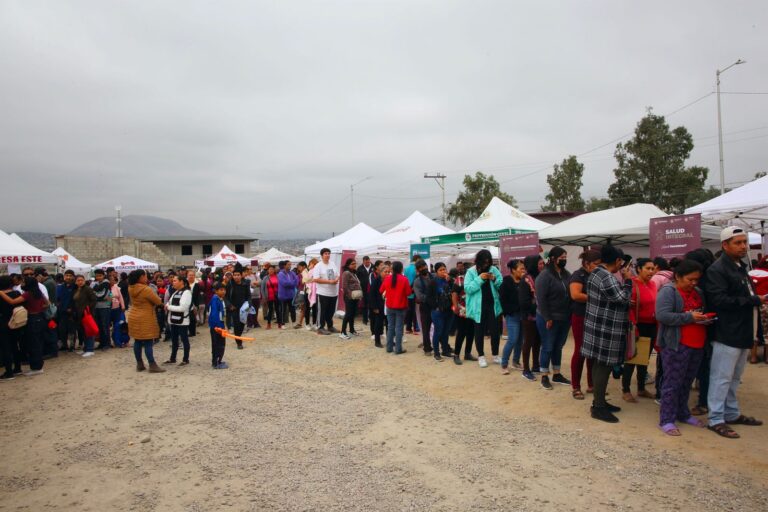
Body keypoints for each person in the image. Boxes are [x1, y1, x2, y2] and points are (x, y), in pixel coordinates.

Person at [704, 226, 765, 438]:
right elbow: (719, 300)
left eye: (744, 242)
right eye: (737, 243)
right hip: (727, 332)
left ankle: (731, 413)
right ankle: (715, 418)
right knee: (721, 378)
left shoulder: (740, 267)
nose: (743, 246)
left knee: (735, 378)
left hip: (743, 331)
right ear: (725, 245)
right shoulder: (717, 269)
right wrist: (753, 300)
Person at [655, 259, 711, 436]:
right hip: (676, 344)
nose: (693, 283)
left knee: (687, 381)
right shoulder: (668, 291)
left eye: (696, 279)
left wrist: (704, 319)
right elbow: (662, 316)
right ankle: (666, 419)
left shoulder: (698, 292)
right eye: (690, 279)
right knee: (672, 383)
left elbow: (699, 312)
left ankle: (683, 413)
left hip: (697, 343)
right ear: (678, 276)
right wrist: (689, 317)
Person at [581, 245, 633, 423]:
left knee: (599, 364)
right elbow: (623, 298)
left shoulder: (596, 273)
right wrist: (628, 280)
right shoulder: (606, 276)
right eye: (621, 262)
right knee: (603, 366)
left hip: (598, 326)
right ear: (617, 261)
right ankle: (598, 407)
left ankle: (600, 401)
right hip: (606, 328)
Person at [535, 246, 572, 390]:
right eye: (562, 258)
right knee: (548, 346)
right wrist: (547, 318)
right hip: (548, 318)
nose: (564, 260)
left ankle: (557, 373)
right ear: (553, 259)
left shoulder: (566, 274)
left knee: (558, 346)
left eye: (565, 257)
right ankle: (544, 376)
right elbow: (541, 299)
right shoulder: (544, 275)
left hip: (564, 317)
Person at [622, 258, 658, 403]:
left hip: (652, 326)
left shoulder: (653, 284)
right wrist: (634, 326)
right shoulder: (632, 284)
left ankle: (641, 388)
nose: (651, 271)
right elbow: (628, 308)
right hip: (637, 326)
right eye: (647, 268)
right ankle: (626, 390)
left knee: (644, 360)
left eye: (653, 268)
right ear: (639, 269)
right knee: (632, 359)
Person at [569, 250, 601, 399]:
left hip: (594, 317)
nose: (598, 267)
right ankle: (576, 387)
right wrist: (596, 298)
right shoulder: (578, 275)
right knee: (581, 350)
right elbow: (575, 295)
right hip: (580, 316)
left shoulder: (596, 275)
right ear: (586, 263)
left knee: (592, 352)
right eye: (596, 264)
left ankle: (591, 384)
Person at [465, 249, 503, 368]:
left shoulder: (493, 269)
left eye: (488, 262)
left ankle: (495, 355)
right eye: (484, 262)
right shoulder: (471, 272)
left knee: (495, 331)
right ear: (479, 261)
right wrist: (480, 278)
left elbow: (501, 284)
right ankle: (481, 356)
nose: (486, 265)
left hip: (492, 305)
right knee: (479, 332)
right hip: (478, 307)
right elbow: (468, 289)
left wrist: (494, 279)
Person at [126, 269, 165, 373]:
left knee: (137, 341)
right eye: (145, 276)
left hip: (134, 315)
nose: (146, 278)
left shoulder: (130, 287)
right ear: (141, 277)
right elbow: (157, 301)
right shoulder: (146, 289)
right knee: (148, 341)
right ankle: (152, 364)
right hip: (145, 316)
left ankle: (139, 364)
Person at [519, 255, 543, 381]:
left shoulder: (539, 277)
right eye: (539, 264)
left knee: (537, 341)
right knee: (528, 341)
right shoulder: (525, 280)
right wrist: (536, 307)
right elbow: (524, 302)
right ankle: (526, 369)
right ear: (533, 265)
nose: (542, 266)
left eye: (542, 263)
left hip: (539, 315)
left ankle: (535, 365)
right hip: (529, 316)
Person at [499, 259, 525, 374]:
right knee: (512, 339)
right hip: (512, 315)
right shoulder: (506, 282)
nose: (523, 271)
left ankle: (516, 362)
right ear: (513, 270)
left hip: (523, 315)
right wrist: (508, 312)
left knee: (520, 340)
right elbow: (502, 300)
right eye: (521, 269)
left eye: (524, 268)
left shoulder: (524, 281)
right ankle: (504, 364)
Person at [380, 261, 412, 354]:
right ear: (401, 269)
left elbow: (381, 290)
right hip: (401, 306)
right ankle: (398, 349)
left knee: (390, 327)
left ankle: (389, 348)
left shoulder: (387, 278)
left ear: (392, 269)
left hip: (389, 306)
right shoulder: (404, 279)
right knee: (399, 328)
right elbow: (408, 293)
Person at [427, 262, 455, 361]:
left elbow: (455, 291)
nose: (443, 271)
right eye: (441, 270)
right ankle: (436, 352)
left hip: (449, 310)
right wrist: (436, 307)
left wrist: (450, 281)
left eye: (444, 269)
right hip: (438, 312)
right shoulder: (433, 282)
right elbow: (429, 297)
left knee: (446, 331)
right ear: (436, 271)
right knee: (438, 331)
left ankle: (445, 350)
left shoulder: (450, 280)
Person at [164, 275, 193, 366]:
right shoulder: (176, 292)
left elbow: (183, 308)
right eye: (173, 281)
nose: (173, 282)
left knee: (184, 340)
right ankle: (173, 358)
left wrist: (169, 307)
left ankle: (185, 359)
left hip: (182, 321)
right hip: (173, 320)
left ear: (181, 282)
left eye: (175, 281)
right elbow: (169, 302)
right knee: (174, 340)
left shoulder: (186, 292)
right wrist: (168, 306)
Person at [311, 248, 340, 335]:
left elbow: (338, 275)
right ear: (322, 255)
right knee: (322, 311)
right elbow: (315, 279)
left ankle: (330, 326)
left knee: (331, 311)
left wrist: (336, 279)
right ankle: (320, 327)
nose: (327, 255)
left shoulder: (332, 264)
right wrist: (329, 282)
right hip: (323, 292)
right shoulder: (318, 266)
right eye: (325, 254)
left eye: (328, 253)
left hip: (333, 292)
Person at [450, 268, 474, 365]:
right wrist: (456, 306)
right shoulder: (459, 280)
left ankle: (467, 353)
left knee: (471, 332)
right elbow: (454, 294)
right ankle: (456, 355)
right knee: (461, 332)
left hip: (472, 310)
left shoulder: (475, 279)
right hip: (461, 309)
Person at [72, 275, 97, 357]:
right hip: (79, 314)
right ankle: (86, 348)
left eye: (81, 280)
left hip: (87, 314)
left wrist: (87, 308)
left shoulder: (87, 289)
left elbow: (94, 299)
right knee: (83, 332)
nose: (80, 282)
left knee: (89, 331)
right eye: (78, 280)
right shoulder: (76, 289)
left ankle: (90, 349)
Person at [226, 264, 250, 348]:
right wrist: (230, 305)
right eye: (235, 275)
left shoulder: (245, 284)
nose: (236, 277)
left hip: (243, 308)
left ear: (241, 275)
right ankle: (239, 343)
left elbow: (248, 296)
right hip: (234, 308)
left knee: (242, 325)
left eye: (238, 275)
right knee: (236, 326)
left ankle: (238, 337)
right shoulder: (230, 284)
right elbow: (226, 297)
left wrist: (249, 304)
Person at [412, 260, 433, 354]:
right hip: (425, 307)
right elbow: (420, 296)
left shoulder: (434, 276)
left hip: (435, 306)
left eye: (424, 266)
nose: (423, 268)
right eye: (420, 267)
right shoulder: (417, 282)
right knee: (426, 328)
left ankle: (444, 346)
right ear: (418, 270)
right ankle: (427, 348)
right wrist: (432, 298)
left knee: (440, 327)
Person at [340, 258, 362, 340]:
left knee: (352, 314)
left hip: (355, 296)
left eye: (355, 263)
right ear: (348, 265)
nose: (354, 265)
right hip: (349, 297)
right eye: (352, 264)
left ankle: (352, 330)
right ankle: (343, 332)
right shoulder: (346, 273)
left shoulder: (353, 273)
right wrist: (350, 295)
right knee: (348, 314)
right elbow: (345, 286)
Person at [91, 269, 113, 349]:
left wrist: (95, 294)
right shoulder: (95, 284)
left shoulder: (106, 284)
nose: (98, 277)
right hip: (97, 307)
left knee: (105, 325)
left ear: (103, 276)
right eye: (97, 276)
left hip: (105, 307)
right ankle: (102, 343)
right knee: (99, 326)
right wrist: (96, 294)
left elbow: (103, 295)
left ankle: (106, 344)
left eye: (100, 276)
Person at [208, 283, 228, 369]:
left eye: (224, 290)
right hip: (216, 327)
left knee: (221, 344)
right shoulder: (215, 300)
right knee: (217, 344)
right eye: (221, 290)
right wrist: (217, 326)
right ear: (216, 291)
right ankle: (215, 363)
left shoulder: (220, 299)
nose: (223, 292)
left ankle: (219, 360)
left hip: (220, 325)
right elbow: (214, 314)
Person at [56, 270, 77, 352]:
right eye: (66, 275)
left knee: (72, 330)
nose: (68, 277)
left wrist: (72, 308)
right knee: (62, 330)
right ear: (64, 277)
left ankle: (72, 345)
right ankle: (64, 345)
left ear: (73, 277)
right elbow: (57, 299)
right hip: (62, 312)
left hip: (72, 313)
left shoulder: (76, 287)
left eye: (70, 275)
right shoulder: (60, 287)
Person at [277, 261, 299, 329]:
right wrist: (292, 283)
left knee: (292, 309)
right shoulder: (280, 274)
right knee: (283, 310)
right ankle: (282, 324)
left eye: (290, 264)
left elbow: (297, 281)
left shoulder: (292, 273)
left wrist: (291, 283)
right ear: (284, 265)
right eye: (288, 264)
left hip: (291, 294)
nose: (290, 266)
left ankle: (294, 322)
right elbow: (284, 283)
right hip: (283, 295)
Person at [368, 261, 385, 348]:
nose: (387, 273)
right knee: (378, 323)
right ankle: (377, 341)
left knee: (387, 324)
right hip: (378, 305)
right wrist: (374, 307)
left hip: (386, 305)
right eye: (385, 272)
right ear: (381, 272)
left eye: (388, 272)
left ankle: (390, 341)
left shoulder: (387, 280)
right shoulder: (376, 280)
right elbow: (372, 294)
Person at [404, 255, 421, 335]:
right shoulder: (416, 269)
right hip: (414, 292)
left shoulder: (406, 268)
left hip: (407, 292)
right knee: (415, 311)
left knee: (409, 311)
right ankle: (416, 328)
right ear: (417, 260)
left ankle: (408, 328)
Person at [109, 273, 126, 347]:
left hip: (117, 309)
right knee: (107, 327)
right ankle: (108, 342)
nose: (113, 281)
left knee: (117, 326)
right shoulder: (105, 288)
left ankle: (117, 342)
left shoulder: (116, 287)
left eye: (113, 280)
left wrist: (123, 306)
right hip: (108, 309)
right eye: (111, 280)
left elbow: (120, 297)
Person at [357, 256, 373, 326]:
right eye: (366, 262)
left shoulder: (373, 267)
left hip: (372, 290)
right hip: (363, 289)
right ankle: (365, 319)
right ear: (363, 261)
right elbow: (357, 278)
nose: (367, 263)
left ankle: (371, 318)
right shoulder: (360, 268)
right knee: (365, 304)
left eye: (368, 261)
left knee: (372, 304)